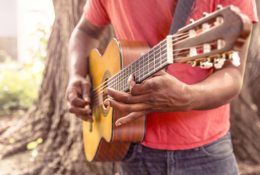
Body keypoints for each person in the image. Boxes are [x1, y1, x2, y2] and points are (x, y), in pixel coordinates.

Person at [66, 0, 258, 174]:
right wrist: (76, 75)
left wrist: (188, 96)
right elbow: (85, 31)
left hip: (205, 152)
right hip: (130, 144)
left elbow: (232, 75)